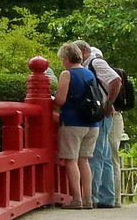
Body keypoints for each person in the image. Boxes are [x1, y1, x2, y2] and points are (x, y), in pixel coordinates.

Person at [51, 41, 101, 209]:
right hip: (92, 123)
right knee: (84, 161)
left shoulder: (67, 74)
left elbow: (60, 100)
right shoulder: (89, 73)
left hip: (73, 122)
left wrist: (52, 100)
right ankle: (88, 199)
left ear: (66, 58)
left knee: (71, 161)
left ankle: (77, 199)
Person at [75, 41, 123, 208]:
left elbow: (115, 80)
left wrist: (109, 103)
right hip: (101, 113)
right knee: (105, 155)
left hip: (101, 113)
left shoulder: (96, 62)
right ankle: (106, 197)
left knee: (97, 153)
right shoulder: (90, 65)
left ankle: (94, 197)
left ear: (82, 50)